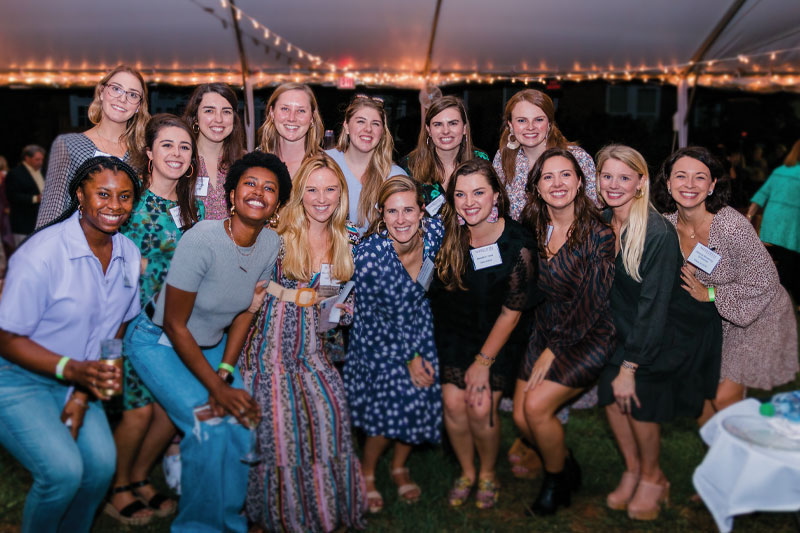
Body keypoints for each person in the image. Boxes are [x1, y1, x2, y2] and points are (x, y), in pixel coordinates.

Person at [125, 152, 291, 532]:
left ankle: (231, 520)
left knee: (244, 419)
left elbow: (246, 312)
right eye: (249, 184)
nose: (258, 193)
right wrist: (217, 387)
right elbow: (175, 323)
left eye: (270, 188)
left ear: (277, 205)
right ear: (231, 195)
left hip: (212, 342)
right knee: (207, 427)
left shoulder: (270, 244)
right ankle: (197, 526)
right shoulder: (203, 238)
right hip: (159, 341)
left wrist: (227, 372)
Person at [0, 156, 142, 533]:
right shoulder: (41, 255)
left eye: (125, 196)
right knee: (63, 473)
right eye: (104, 194)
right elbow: (6, 338)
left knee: (99, 470)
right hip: (17, 381)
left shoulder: (127, 253)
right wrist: (73, 370)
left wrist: (86, 387)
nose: (115, 205)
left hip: (79, 382)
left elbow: (119, 323)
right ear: (80, 194)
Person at [595, 145, 721, 520]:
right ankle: (633, 469)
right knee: (608, 396)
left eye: (624, 177)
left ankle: (654, 477)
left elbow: (655, 306)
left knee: (638, 400)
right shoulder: (602, 221)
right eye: (607, 176)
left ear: (640, 183)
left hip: (665, 332)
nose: (614, 184)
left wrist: (631, 366)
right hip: (622, 328)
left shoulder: (655, 232)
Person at [240, 154, 366, 531]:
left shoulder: (350, 237)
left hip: (316, 350)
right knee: (281, 431)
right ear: (299, 193)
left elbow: (348, 296)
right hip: (268, 350)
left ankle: (328, 512)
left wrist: (346, 308)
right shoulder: (275, 231)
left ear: (341, 192)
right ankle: (275, 515)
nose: (321, 198)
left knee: (331, 417)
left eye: (330, 189)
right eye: (312, 189)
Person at [105, 114, 204, 525]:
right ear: (149, 152)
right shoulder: (129, 202)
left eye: (184, 147)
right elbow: (111, 266)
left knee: (167, 409)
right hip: (133, 323)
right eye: (167, 145)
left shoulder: (193, 206)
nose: (177, 154)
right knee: (139, 411)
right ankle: (116, 487)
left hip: (179, 326)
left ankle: (140, 478)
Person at [655, 146, 798, 425]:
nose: (690, 185)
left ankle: (755, 454)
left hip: (758, 314)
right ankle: (725, 459)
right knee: (703, 404)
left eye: (700, 177)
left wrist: (710, 292)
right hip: (712, 321)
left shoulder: (730, 225)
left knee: (723, 399)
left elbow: (765, 280)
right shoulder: (665, 227)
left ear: (712, 185)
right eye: (681, 176)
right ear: (668, 183)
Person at [430, 159, 538, 509]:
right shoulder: (449, 233)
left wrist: (483, 361)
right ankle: (466, 471)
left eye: (478, 192)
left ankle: (488, 472)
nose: (469, 201)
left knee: (479, 407)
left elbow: (514, 308)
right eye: (460, 194)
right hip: (453, 333)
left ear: (495, 195)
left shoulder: (518, 241)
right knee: (453, 404)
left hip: (497, 336)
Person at [513, 148, 615, 515]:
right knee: (522, 418)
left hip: (587, 334)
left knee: (537, 408)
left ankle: (555, 483)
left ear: (580, 182)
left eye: (565, 175)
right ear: (537, 188)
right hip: (544, 329)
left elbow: (592, 303)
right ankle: (567, 465)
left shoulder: (599, 235)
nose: (557, 183)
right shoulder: (533, 225)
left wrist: (553, 350)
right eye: (548, 177)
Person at [344, 175, 444, 513]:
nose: (401, 220)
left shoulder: (434, 236)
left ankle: (399, 465)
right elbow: (378, 317)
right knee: (386, 414)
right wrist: (410, 358)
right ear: (381, 215)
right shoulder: (370, 255)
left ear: (421, 213)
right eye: (392, 212)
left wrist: (419, 352)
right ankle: (368, 471)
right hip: (378, 340)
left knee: (420, 400)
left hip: (420, 330)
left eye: (408, 210)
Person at [37, 65, 150, 228]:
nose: (122, 99)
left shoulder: (142, 154)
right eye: (116, 89)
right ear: (102, 92)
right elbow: (52, 211)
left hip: (128, 247)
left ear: (139, 106)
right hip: (76, 245)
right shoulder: (69, 145)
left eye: (132, 94)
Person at [493, 89, 597, 222]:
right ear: (510, 125)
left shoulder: (577, 157)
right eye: (521, 120)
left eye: (539, 120)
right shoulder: (503, 157)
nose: (530, 127)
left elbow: (593, 209)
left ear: (549, 123)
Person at [325, 94, 407, 235]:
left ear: (382, 132)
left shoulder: (395, 176)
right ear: (346, 126)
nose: (368, 129)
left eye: (375, 123)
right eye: (360, 121)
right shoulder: (325, 162)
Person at [400, 95, 489, 211]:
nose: (446, 131)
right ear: (429, 130)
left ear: (464, 128)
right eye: (438, 124)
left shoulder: (480, 159)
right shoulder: (409, 165)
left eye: (453, 123)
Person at [746, 138, 800, 306]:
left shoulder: (780, 171)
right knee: (790, 265)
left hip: (773, 226)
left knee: (785, 263)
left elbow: (761, 195)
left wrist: (749, 216)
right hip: (792, 228)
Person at [182, 83, 246, 220]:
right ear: (195, 117)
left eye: (226, 112)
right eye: (209, 111)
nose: (218, 119)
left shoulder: (245, 162)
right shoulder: (179, 161)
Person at [257, 82, 323, 178]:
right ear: (272, 113)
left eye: (301, 111)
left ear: (312, 117)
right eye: (285, 109)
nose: (292, 118)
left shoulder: (323, 166)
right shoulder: (256, 162)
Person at [6, 145, 46, 244]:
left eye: (42, 159)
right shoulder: (15, 173)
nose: (40, 163)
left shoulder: (43, 172)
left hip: (41, 222)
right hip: (24, 224)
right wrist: (35, 198)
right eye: (37, 159)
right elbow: (12, 196)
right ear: (27, 158)